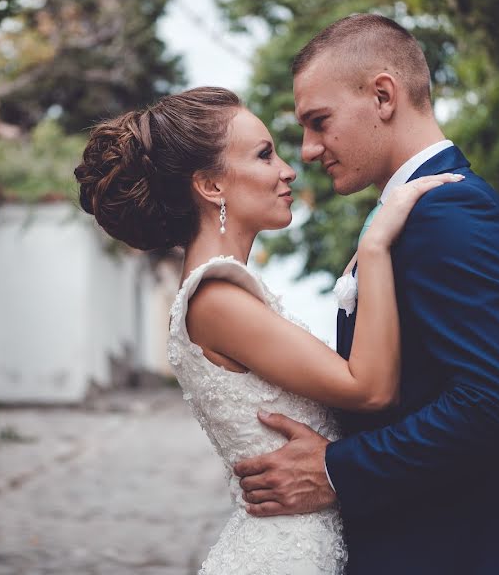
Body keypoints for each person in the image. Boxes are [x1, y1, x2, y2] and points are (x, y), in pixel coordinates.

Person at [74, 85, 460, 574]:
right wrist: (378, 242)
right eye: (263, 155)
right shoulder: (217, 299)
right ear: (211, 186)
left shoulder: (229, 295)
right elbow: (370, 389)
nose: (288, 169)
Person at [232, 14, 499, 574]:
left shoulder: (451, 212)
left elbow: (498, 405)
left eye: (319, 121)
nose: (307, 150)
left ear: (383, 96)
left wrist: (335, 470)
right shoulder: (413, 214)